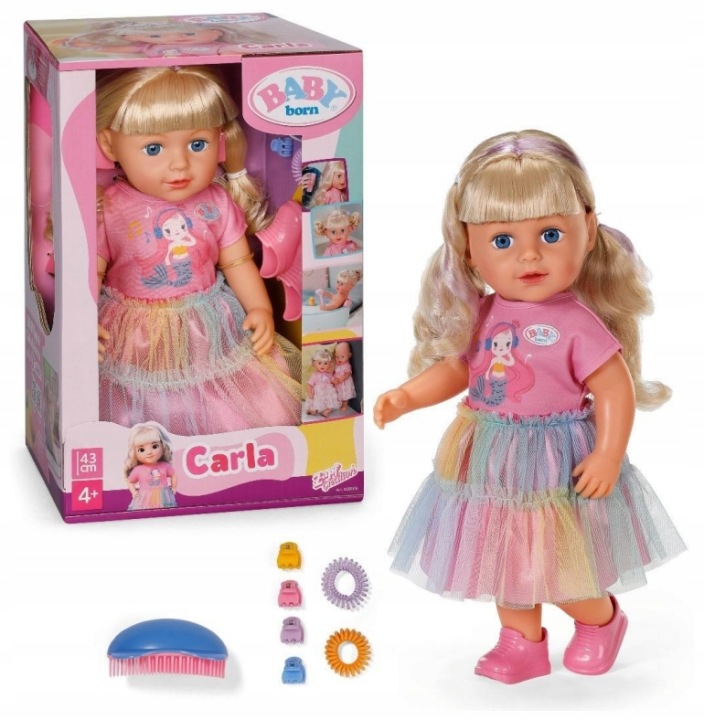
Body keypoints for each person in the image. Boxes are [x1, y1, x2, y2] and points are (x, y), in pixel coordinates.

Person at [374, 130, 685, 684]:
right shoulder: (481, 314)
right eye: (502, 240)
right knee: (504, 559)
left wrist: (609, 453)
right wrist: (407, 396)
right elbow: (459, 369)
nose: (529, 254)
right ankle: (522, 643)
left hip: (558, 460)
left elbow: (614, 388)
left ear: (588, 230)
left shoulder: (578, 324)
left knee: (561, 561)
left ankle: (599, 620)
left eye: (550, 234)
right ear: (467, 247)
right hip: (491, 454)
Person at [96, 65, 300, 435]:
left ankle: (224, 447)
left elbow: (238, 262)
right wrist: (82, 323)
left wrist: (260, 308)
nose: (180, 163)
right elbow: (91, 271)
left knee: (226, 391)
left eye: (197, 144)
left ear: (220, 141)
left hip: (207, 325)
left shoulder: (217, 202)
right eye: (154, 148)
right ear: (109, 145)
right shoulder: (108, 207)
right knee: (141, 399)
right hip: (135, 334)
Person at [124, 422, 177, 510]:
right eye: (142, 449)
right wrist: (133, 492)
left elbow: (174, 475)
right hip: (145, 497)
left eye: (154, 446)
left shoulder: (165, 466)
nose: (149, 452)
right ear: (134, 452)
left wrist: (174, 487)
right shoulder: (138, 469)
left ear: (163, 446)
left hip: (163, 496)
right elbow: (130, 481)